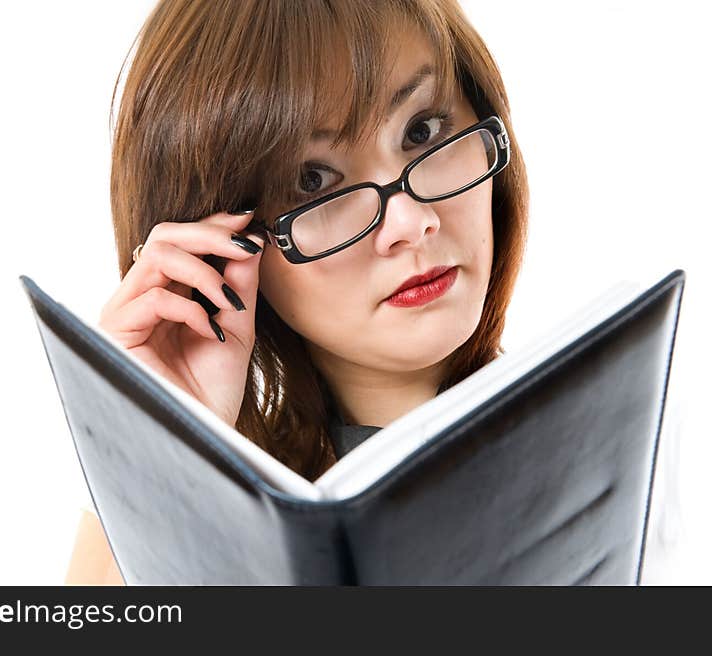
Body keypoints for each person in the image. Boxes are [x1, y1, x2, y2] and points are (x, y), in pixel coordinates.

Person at [65, 0, 528, 585]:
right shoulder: (230, 542)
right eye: (312, 182)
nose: (410, 223)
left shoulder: (639, 452)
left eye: (422, 130)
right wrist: (150, 449)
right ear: (225, 239)